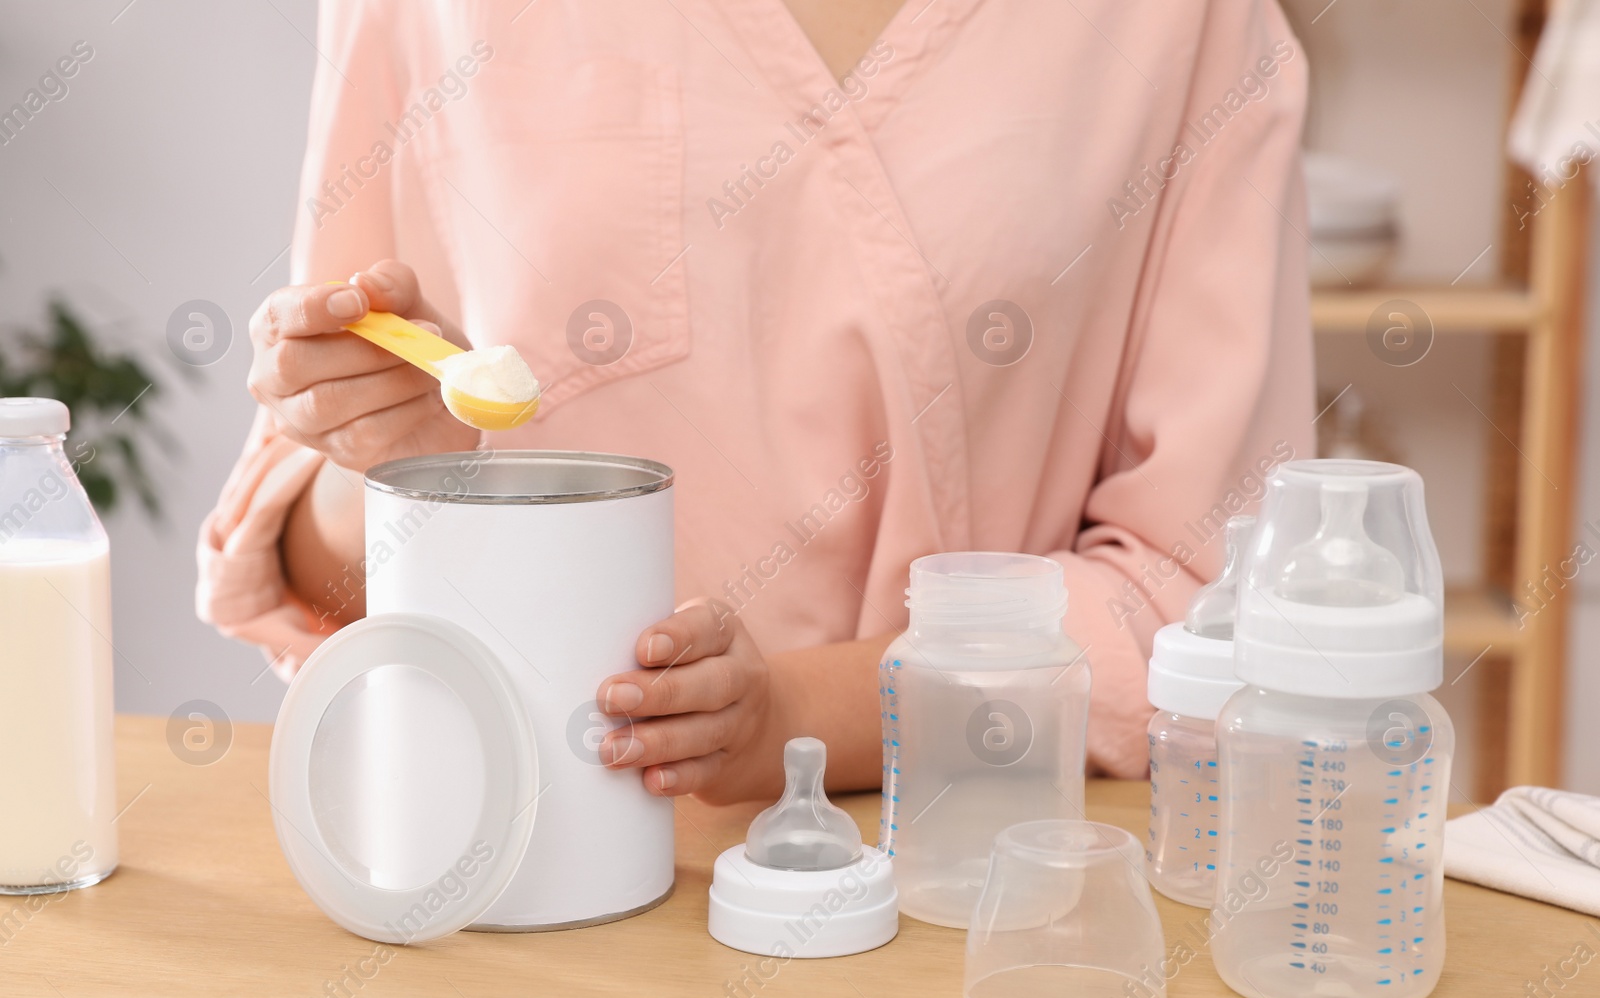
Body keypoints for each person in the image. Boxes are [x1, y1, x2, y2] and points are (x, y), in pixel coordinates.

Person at [198, 0, 1314, 804]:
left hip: (961, 865)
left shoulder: (1187, 28)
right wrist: (381, 456)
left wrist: (799, 717)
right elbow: (317, 568)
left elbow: (1200, 595)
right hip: (510, 853)